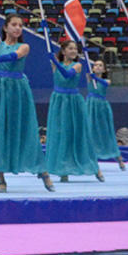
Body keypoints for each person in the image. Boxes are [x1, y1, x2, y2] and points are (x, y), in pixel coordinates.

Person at [0, 11, 53, 192]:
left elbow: (12, 57)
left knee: (25, 129)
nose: (18, 28)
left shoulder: (24, 46)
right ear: (5, 27)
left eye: (20, 25)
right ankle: (1, 178)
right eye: (14, 25)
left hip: (17, 90)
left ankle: (42, 171)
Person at [44, 40, 102, 182]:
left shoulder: (78, 65)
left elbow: (67, 74)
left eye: (75, 49)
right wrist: (55, 62)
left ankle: (94, 168)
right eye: (70, 48)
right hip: (58, 102)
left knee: (76, 134)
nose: (74, 51)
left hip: (73, 102)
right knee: (60, 134)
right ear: (63, 51)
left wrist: (55, 62)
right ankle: (62, 169)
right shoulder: (54, 64)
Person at [86, 59, 125, 170]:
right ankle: (91, 160)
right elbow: (89, 74)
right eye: (95, 65)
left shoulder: (107, 80)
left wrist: (96, 77)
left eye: (100, 65)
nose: (98, 67)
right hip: (90, 106)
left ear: (104, 69)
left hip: (102, 107)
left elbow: (104, 83)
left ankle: (119, 158)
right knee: (90, 132)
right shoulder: (89, 77)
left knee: (106, 133)